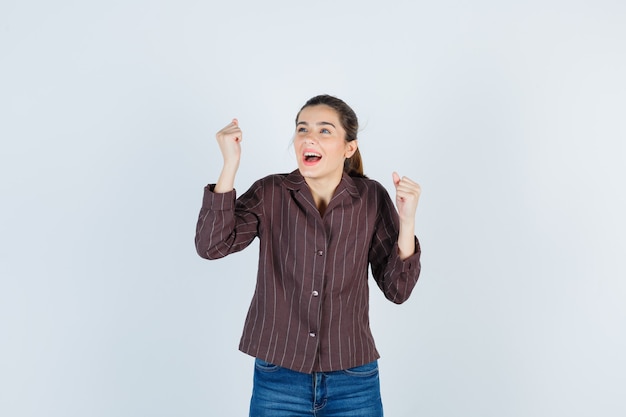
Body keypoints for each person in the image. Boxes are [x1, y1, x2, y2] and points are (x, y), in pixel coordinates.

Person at [195, 95, 422, 417]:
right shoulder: (270, 192)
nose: (308, 137)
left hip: (354, 377)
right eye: (302, 129)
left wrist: (408, 221)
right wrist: (230, 164)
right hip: (279, 376)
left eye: (324, 130)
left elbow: (398, 290)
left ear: (349, 148)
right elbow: (212, 246)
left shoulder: (371, 198)